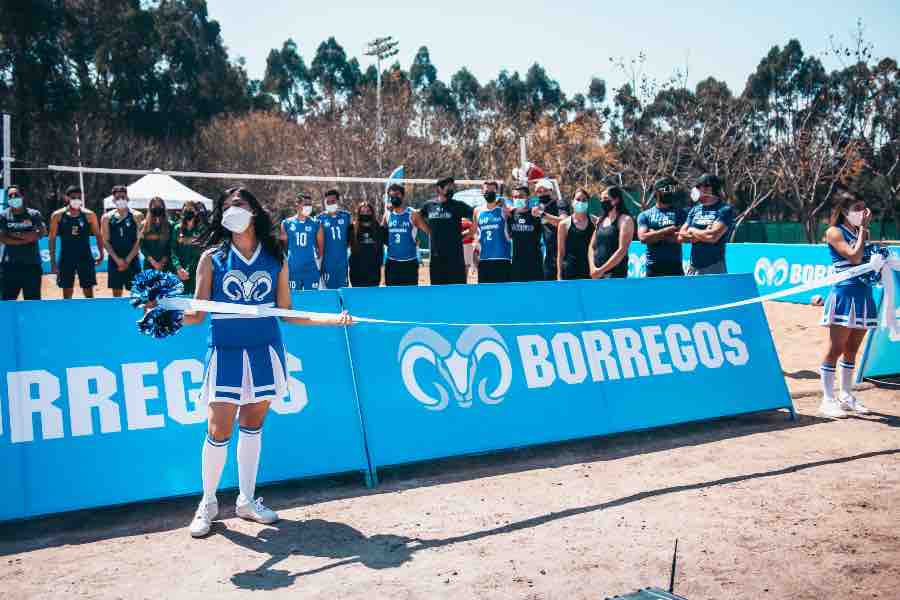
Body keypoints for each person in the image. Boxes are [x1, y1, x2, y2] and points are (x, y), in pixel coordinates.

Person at [167, 186, 350, 538]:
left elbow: (288, 314)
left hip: (265, 351)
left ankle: (247, 500)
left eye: (240, 204)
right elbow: (196, 314)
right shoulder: (211, 258)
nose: (234, 210)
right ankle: (207, 502)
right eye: (228, 206)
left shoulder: (275, 256)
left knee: (252, 424)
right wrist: (164, 308)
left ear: (254, 211)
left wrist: (332, 320)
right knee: (218, 427)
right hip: (225, 351)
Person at [818, 187, 880, 418]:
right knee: (836, 348)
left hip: (864, 295)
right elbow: (853, 257)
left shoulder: (859, 231)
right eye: (857, 208)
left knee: (852, 349)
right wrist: (864, 231)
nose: (862, 212)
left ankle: (846, 395)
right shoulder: (834, 231)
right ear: (844, 210)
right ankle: (827, 398)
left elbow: (866, 260)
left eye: (864, 208)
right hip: (844, 296)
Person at [49, 185, 104, 299]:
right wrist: (53, 262)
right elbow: (52, 238)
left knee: (88, 290)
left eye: (79, 197)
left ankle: (89, 312)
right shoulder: (57, 215)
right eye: (73, 197)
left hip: (85, 256)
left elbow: (98, 235)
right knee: (67, 290)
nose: (76, 200)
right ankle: (68, 313)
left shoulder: (89, 215)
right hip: (66, 257)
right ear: (67, 198)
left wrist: (101, 254)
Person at [678, 174, 734, 275]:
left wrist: (692, 231)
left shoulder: (724, 210)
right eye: (698, 187)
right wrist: (704, 234)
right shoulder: (695, 209)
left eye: (700, 187)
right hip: (693, 267)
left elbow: (712, 236)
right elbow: (681, 235)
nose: (697, 190)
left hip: (714, 267)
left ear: (711, 188)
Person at [421, 177, 474, 285]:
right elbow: (417, 217)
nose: (451, 189)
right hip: (436, 259)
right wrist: (428, 230)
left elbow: (477, 214)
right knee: (437, 292)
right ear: (439, 189)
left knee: (457, 291)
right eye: (448, 187)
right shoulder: (429, 206)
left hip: (455, 258)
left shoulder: (458, 205)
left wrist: (469, 233)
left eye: (452, 187)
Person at [0, 185, 46, 300]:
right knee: (6, 302)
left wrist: (14, 235)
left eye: (16, 195)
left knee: (32, 303)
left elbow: (40, 234)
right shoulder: (3, 216)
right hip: (9, 267)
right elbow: (2, 238)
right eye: (10, 196)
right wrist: (26, 238)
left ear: (23, 196)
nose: (13, 198)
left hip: (32, 266)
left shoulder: (34, 214)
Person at [637, 177, 687, 277]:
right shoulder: (645, 215)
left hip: (675, 266)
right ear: (657, 192)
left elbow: (681, 237)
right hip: (653, 267)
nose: (670, 193)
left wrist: (653, 234)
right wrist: (667, 230)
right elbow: (643, 238)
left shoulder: (680, 213)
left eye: (672, 190)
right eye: (666, 190)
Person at [383, 184, 430, 286]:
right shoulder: (387, 214)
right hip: (392, 262)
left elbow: (429, 231)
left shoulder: (412, 214)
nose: (394, 198)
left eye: (397, 194)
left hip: (409, 262)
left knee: (410, 296)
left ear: (403, 196)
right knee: (391, 295)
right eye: (391, 196)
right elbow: (381, 234)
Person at [101, 185, 143, 297]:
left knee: (136, 294)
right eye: (118, 198)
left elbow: (140, 240)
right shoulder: (107, 217)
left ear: (128, 198)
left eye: (123, 197)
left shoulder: (137, 216)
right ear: (113, 200)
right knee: (116, 293)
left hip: (132, 259)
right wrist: (118, 260)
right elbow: (105, 241)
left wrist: (128, 260)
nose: (121, 200)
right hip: (115, 260)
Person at [280, 193, 323, 291]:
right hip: (293, 268)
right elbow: (285, 246)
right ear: (297, 205)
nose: (308, 207)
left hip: (311, 268)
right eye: (305, 204)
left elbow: (320, 248)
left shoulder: (316, 223)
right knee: (294, 299)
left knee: (311, 299)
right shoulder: (286, 223)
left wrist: (318, 263)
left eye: (310, 205)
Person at [590, 186, 634, 279]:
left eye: (605, 198)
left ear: (616, 200)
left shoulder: (625, 220)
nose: (602, 201)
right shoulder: (601, 220)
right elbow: (591, 246)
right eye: (601, 199)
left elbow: (622, 250)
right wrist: (593, 268)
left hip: (615, 275)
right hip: (597, 275)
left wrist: (602, 270)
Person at [472, 181, 512, 283]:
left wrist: (504, 205)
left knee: (503, 294)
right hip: (484, 260)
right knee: (485, 295)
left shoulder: (503, 209)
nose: (489, 192)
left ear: (496, 191)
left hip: (502, 259)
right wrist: (475, 253)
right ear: (482, 191)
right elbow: (476, 233)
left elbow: (511, 221)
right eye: (486, 190)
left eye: (492, 190)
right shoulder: (477, 210)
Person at [557, 189, 598, 280]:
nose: (581, 202)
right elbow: (561, 253)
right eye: (578, 200)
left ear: (588, 203)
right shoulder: (564, 224)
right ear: (572, 202)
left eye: (584, 200)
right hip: (570, 272)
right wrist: (559, 276)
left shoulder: (595, 221)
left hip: (590, 271)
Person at [507, 184, 544, 282]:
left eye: (521, 197)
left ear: (528, 198)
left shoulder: (535, 214)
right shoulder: (510, 215)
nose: (517, 199)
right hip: (516, 263)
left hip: (534, 263)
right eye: (515, 197)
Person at [535, 178, 571, 280]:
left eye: (545, 191)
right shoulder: (539, 207)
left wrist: (543, 215)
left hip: (563, 255)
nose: (542, 194)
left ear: (551, 191)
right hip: (548, 258)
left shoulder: (560, 203)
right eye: (539, 191)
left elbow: (563, 222)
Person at [171, 200, 207, 295]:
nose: (188, 211)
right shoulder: (177, 228)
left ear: (196, 212)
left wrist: (187, 270)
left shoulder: (201, 229)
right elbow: (173, 250)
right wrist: (178, 268)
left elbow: (199, 252)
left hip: (195, 270)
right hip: (179, 272)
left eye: (191, 209)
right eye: (186, 209)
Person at [318, 189, 352, 289]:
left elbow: (351, 237)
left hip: (343, 262)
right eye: (328, 202)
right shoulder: (320, 218)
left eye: (333, 201)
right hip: (327, 263)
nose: (330, 204)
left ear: (338, 201)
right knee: (329, 292)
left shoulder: (346, 216)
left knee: (343, 291)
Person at [349, 201, 386, 287]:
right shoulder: (352, 229)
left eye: (368, 211)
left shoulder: (379, 229)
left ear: (372, 213)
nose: (365, 214)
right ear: (358, 213)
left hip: (374, 273)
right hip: (356, 273)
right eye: (362, 212)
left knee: (372, 299)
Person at [139, 196, 173, 273]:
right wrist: (153, 262)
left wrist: (162, 262)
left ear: (163, 208)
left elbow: (171, 246)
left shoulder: (170, 225)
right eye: (154, 206)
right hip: (149, 265)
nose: (157, 209)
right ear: (150, 208)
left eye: (159, 206)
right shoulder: (144, 225)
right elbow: (142, 246)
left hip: (166, 266)